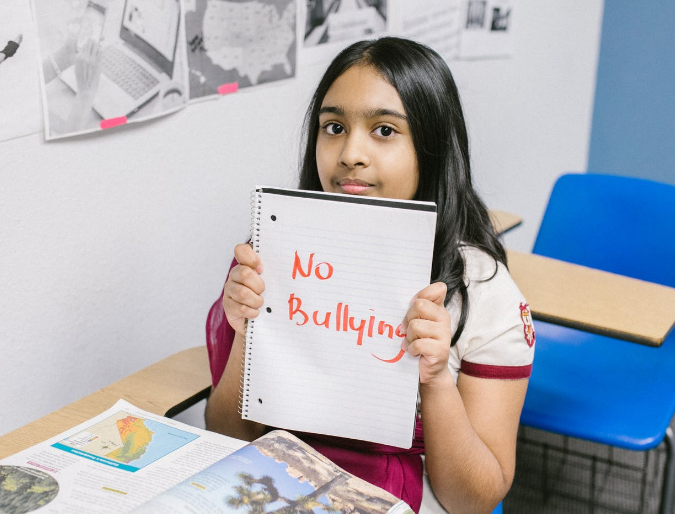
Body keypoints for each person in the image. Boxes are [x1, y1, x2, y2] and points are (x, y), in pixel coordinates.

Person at [204, 37, 534, 514]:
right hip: (274, 488)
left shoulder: (485, 293)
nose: (350, 153)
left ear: (433, 145)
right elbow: (227, 434)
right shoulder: (269, 255)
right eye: (333, 127)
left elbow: (475, 500)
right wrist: (245, 333)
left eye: (384, 130)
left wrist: (437, 380)